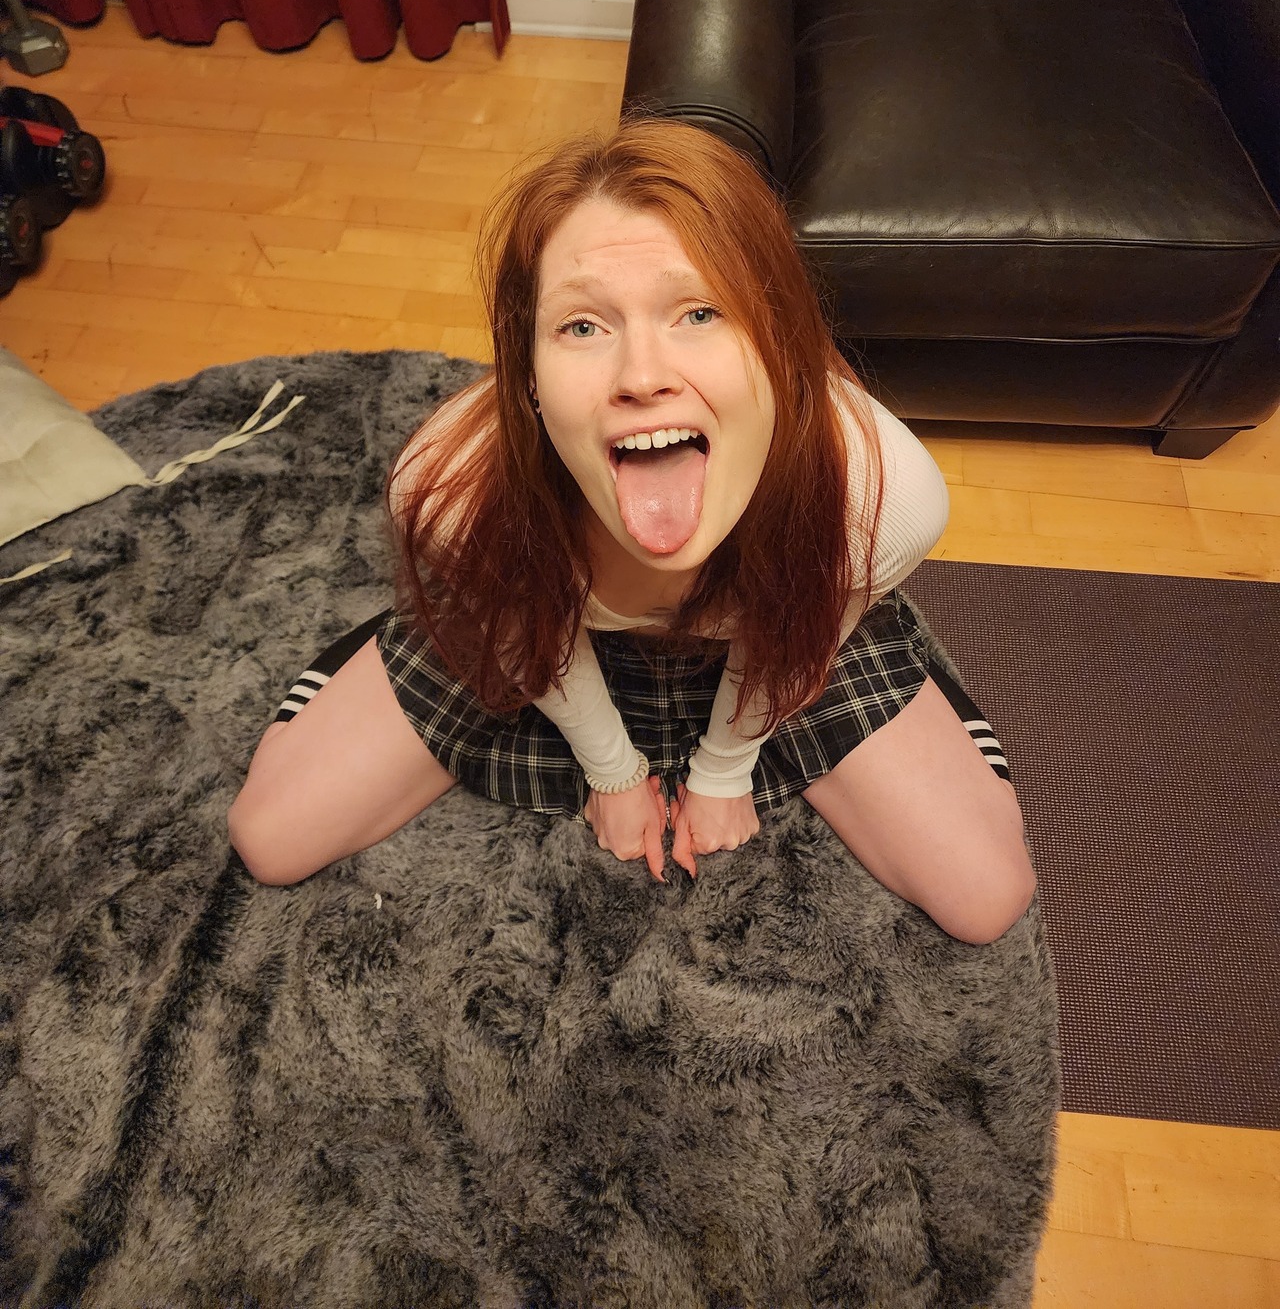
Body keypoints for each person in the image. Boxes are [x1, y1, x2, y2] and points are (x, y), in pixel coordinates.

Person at [227, 121, 1036, 944]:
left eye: (699, 312)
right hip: (538, 626)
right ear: (528, 376)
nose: (642, 376)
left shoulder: (880, 495)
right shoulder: (451, 492)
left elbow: (793, 636)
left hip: (779, 632)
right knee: (271, 836)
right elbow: (528, 633)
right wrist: (611, 771)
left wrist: (725, 769)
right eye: (582, 326)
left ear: (783, 346)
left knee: (986, 895)